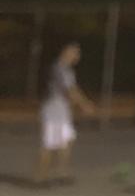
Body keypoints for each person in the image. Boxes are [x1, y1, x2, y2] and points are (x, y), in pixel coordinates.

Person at [35, 43, 95, 185]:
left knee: (66, 141)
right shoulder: (61, 69)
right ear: (66, 52)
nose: (77, 56)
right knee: (49, 145)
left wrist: (80, 103)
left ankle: (61, 173)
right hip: (54, 112)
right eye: (75, 53)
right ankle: (40, 178)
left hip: (61, 111)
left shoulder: (62, 69)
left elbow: (71, 90)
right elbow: (71, 90)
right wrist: (84, 105)